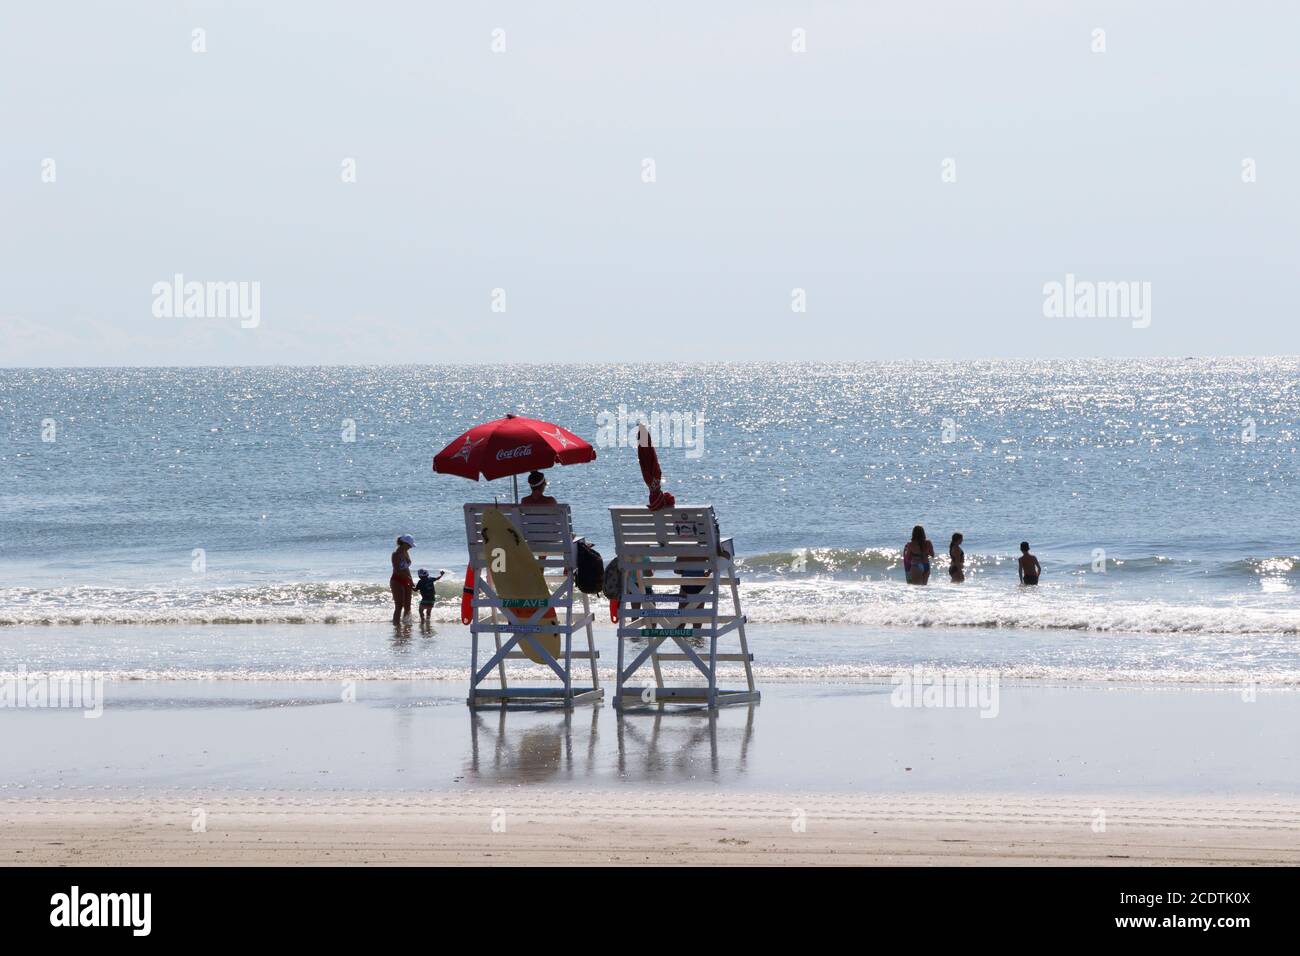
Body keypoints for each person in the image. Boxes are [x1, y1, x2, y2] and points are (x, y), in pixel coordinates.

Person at [390, 534, 416, 624]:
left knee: (407, 606)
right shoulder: (396, 554)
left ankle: (406, 625)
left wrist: (411, 580)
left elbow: (406, 568)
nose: (410, 547)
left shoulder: (406, 552)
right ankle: (396, 626)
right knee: (399, 605)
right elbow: (397, 570)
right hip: (397, 580)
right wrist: (408, 578)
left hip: (407, 580)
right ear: (404, 543)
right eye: (409, 545)